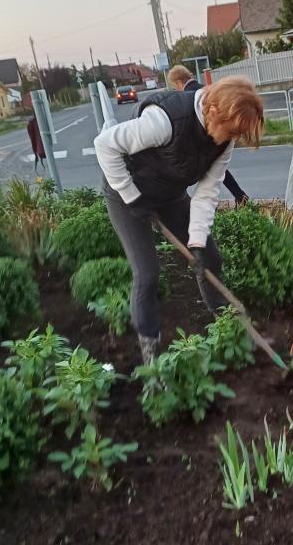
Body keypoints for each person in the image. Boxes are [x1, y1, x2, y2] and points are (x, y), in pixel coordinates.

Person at [94, 77, 264, 363]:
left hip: (169, 193)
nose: (232, 138)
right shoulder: (165, 120)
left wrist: (196, 240)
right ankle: (150, 357)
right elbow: (105, 146)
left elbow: (206, 194)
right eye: (231, 131)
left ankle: (225, 330)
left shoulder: (224, 143)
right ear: (212, 111)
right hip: (126, 191)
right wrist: (133, 197)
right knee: (147, 274)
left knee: (209, 257)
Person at [168, 64, 249, 207]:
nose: (177, 89)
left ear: (179, 82)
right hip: (218, 131)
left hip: (206, 135)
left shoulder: (186, 95)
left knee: (200, 168)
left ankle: (187, 202)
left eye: (175, 86)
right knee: (217, 167)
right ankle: (240, 195)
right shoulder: (203, 87)